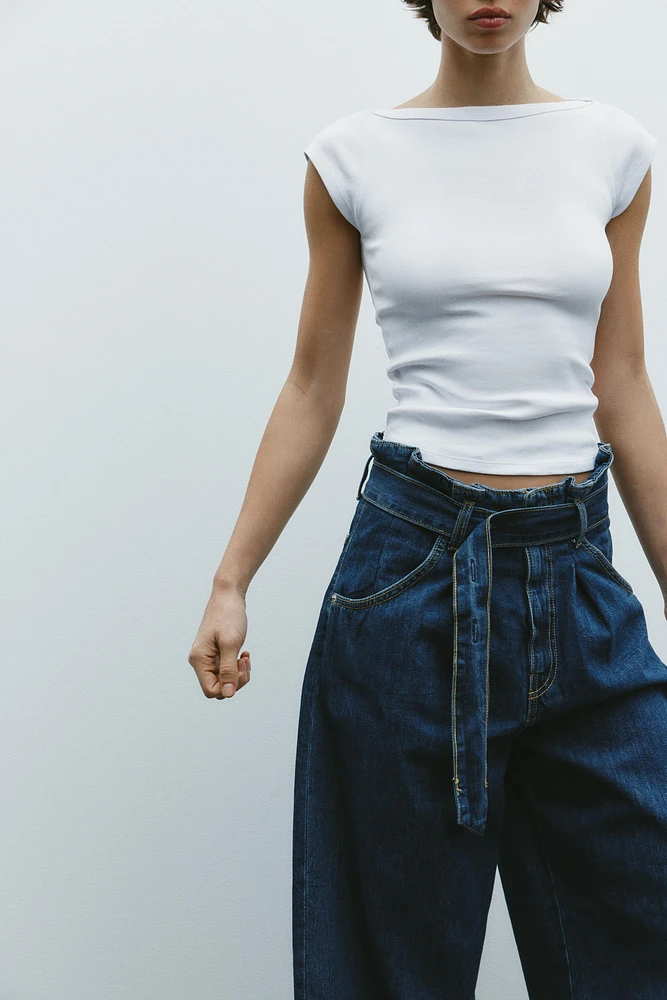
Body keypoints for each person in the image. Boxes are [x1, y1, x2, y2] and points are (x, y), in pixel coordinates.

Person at [188, 1, 667, 996]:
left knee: (636, 931)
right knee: (390, 964)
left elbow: (619, 386)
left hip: (576, 578)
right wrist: (231, 576)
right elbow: (313, 385)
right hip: (407, 583)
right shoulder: (353, 157)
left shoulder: (612, 150)